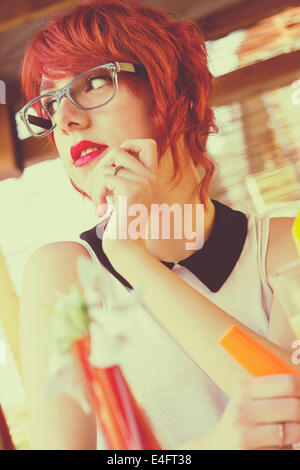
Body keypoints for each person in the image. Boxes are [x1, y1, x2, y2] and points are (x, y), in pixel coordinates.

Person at [19, 0, 300, 450]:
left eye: (93, 82)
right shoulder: (61, 275)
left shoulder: (285, 249)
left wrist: (133, 259)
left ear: (174, 90)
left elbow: (291, 422)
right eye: (50, 104)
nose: (66, 119)